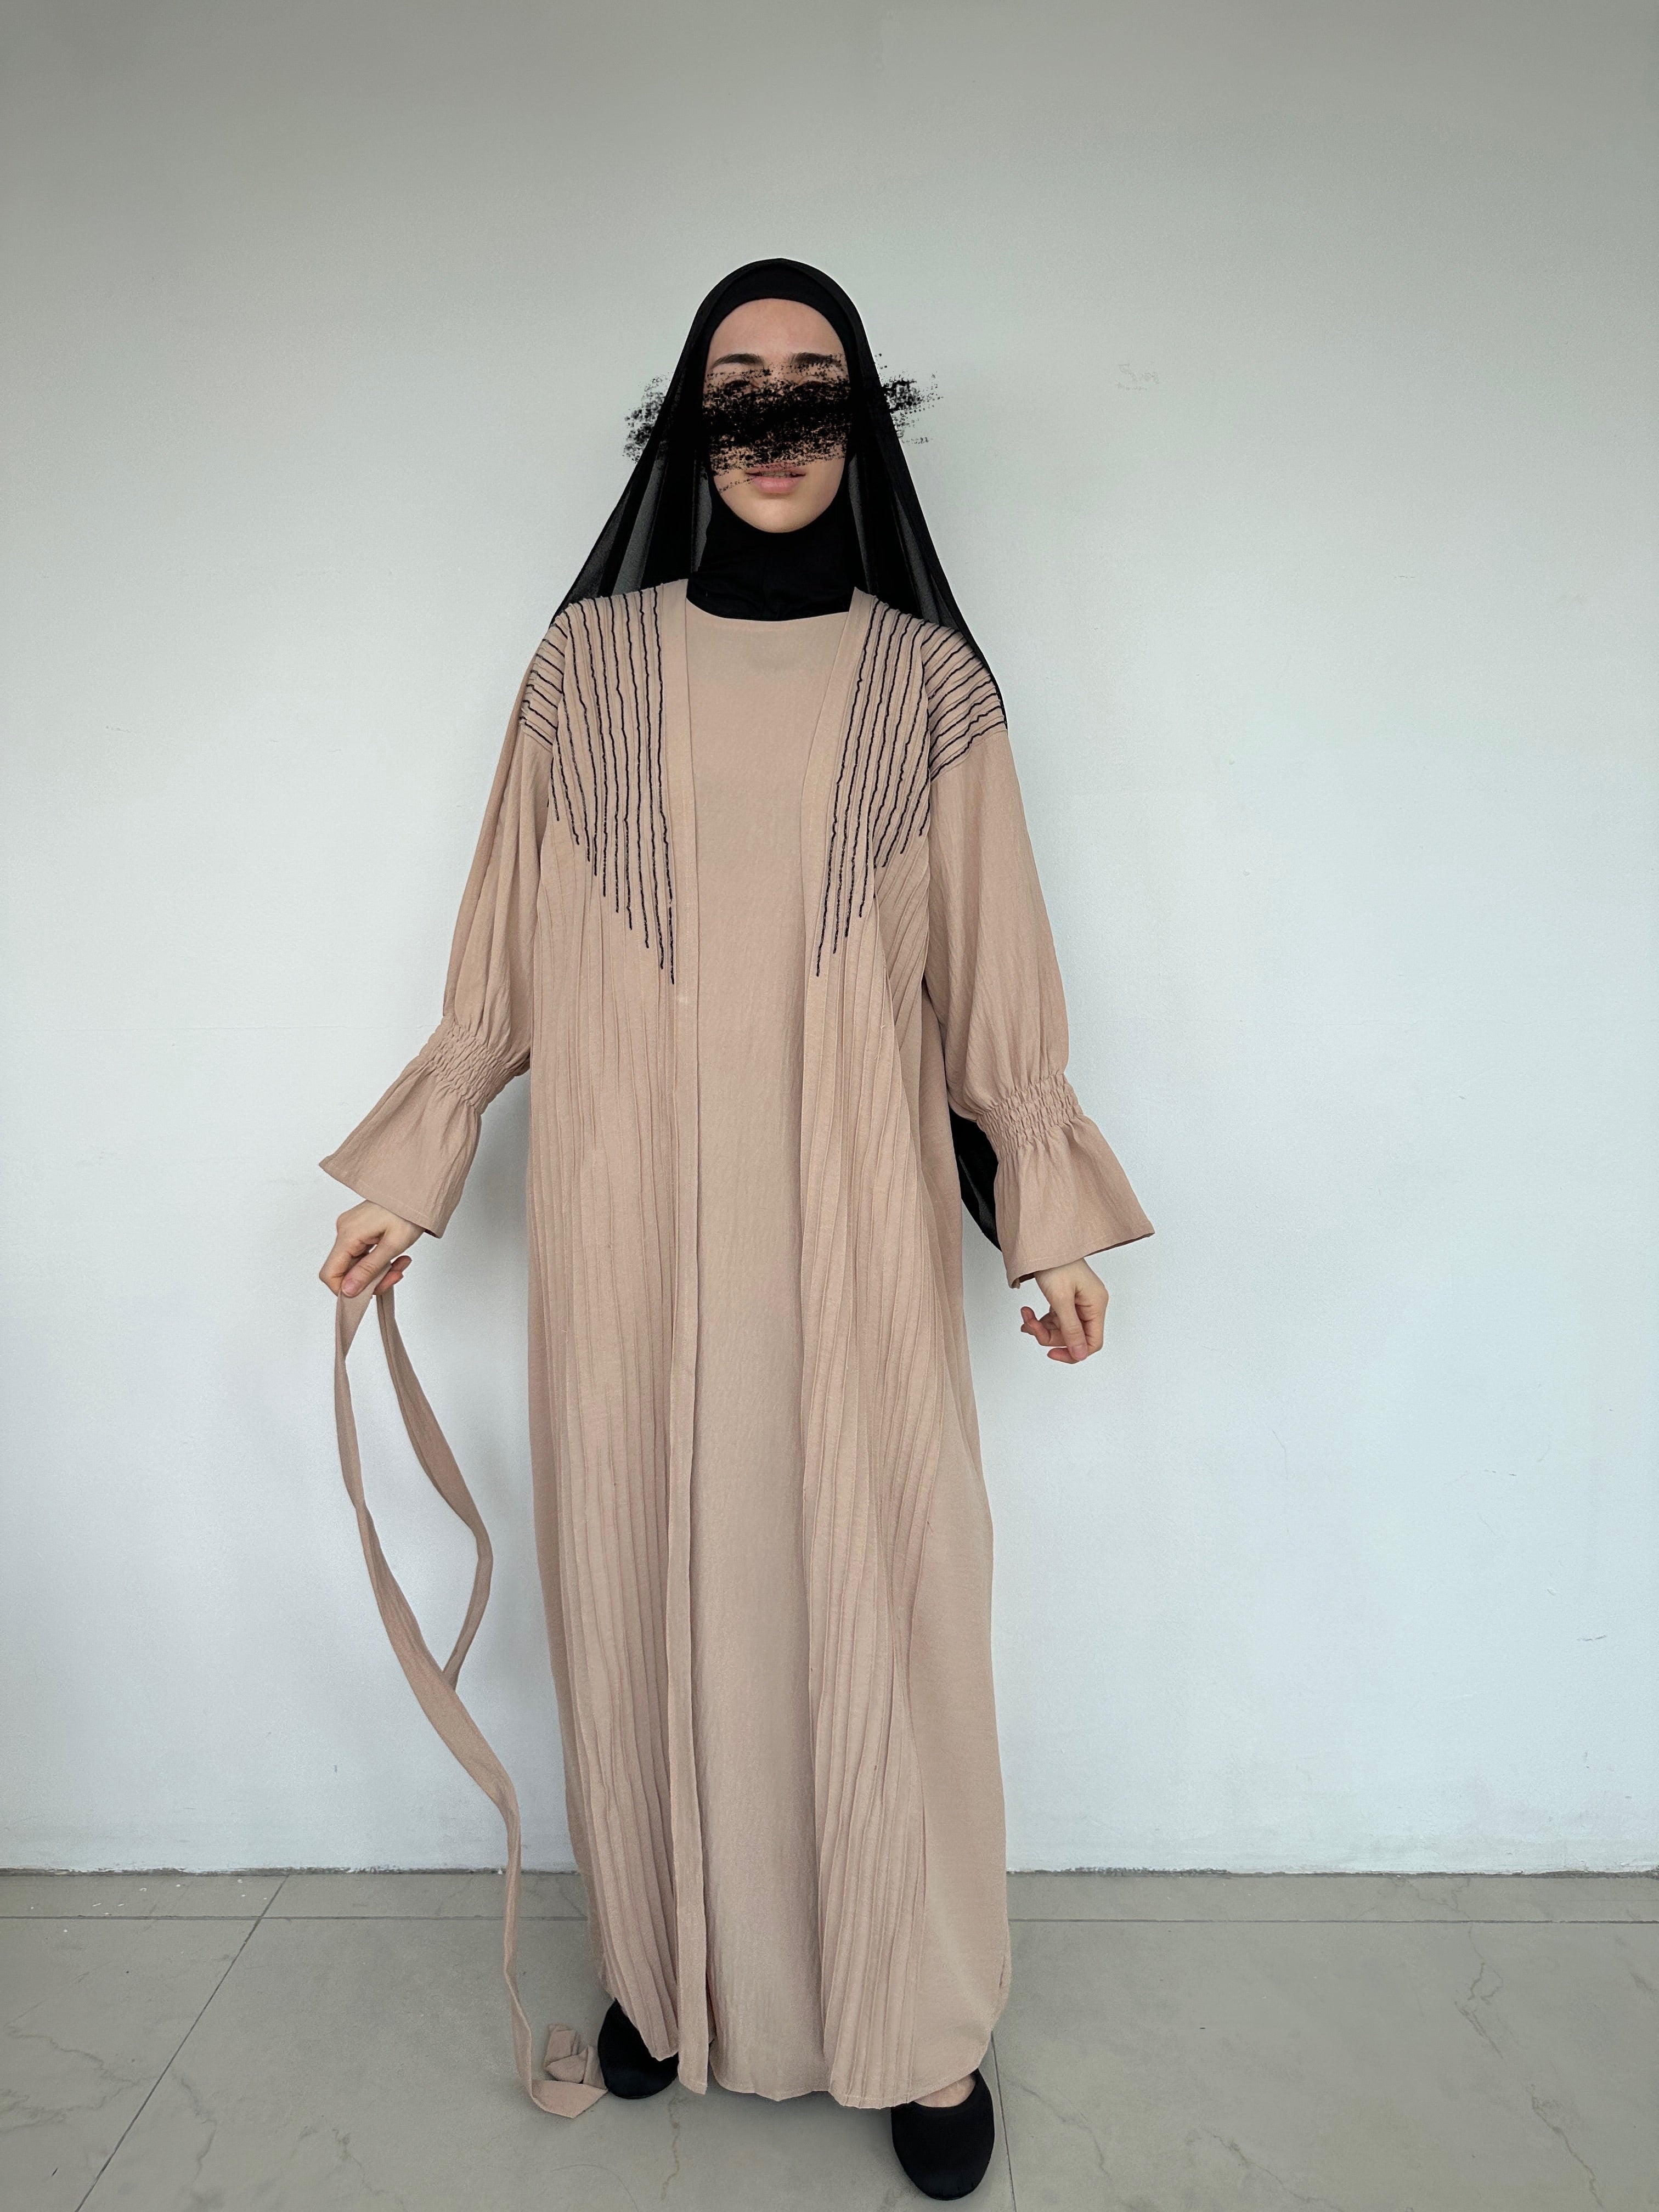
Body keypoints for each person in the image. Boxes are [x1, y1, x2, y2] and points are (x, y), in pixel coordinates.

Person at [318, 257, 1153, 2200]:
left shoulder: (931, 690)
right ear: (687, 424)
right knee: (637, 1596)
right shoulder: (585, 673)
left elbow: (994, 984)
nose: (775, 414)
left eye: (814, 378)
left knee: (884, 1605)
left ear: (865, 421)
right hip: (627, 1237)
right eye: (739, 379)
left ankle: (916, 2028)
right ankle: (665, 1979)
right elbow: (502, 967)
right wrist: (407, 1173)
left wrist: (1047, 1221)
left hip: (852, 1239)